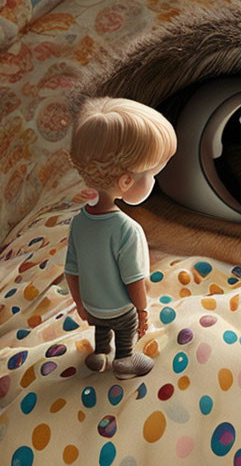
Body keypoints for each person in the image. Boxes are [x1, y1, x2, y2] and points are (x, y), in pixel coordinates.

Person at [65, 97, 177, 379]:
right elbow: (134, 281)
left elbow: (71, 270)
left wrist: (80, 303)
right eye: (152, 174)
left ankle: (99, 352)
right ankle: (124, 360)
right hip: (118, 309)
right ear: (126, 182)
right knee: (124, 327)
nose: (155, 181)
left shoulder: (79, 222)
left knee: (102, 327)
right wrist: (142, 312)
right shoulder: (128, 229)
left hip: (92, 306)